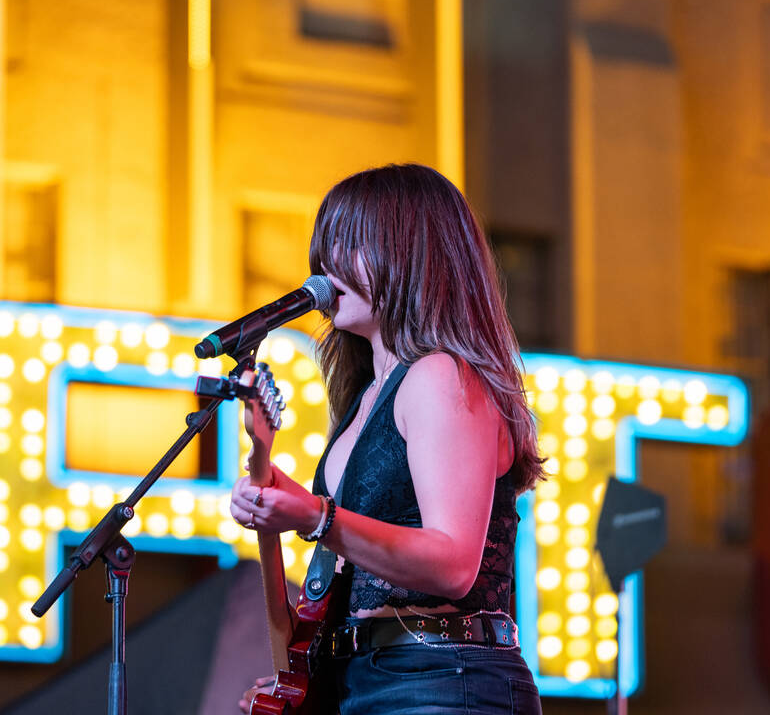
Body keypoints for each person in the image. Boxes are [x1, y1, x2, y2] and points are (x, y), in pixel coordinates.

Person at [230, 163, 545, 714]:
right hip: (360, 680)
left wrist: (315, 516)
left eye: (348, 245)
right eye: (322, 247)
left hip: (441, 678)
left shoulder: (440, 374)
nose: (323, 269)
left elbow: (451, 563)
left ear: (412, 255)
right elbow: (326, 591)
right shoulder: (365, 397)